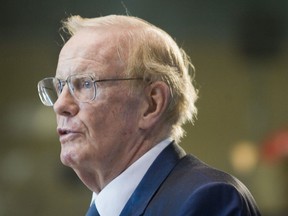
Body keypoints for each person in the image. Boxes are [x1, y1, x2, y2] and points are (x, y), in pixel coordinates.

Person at [37, 14, 261, 216]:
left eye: (85, 84)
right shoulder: (103, 209)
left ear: (151, 104)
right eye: (59, 88)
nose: (60, 105)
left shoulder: (208, 202)